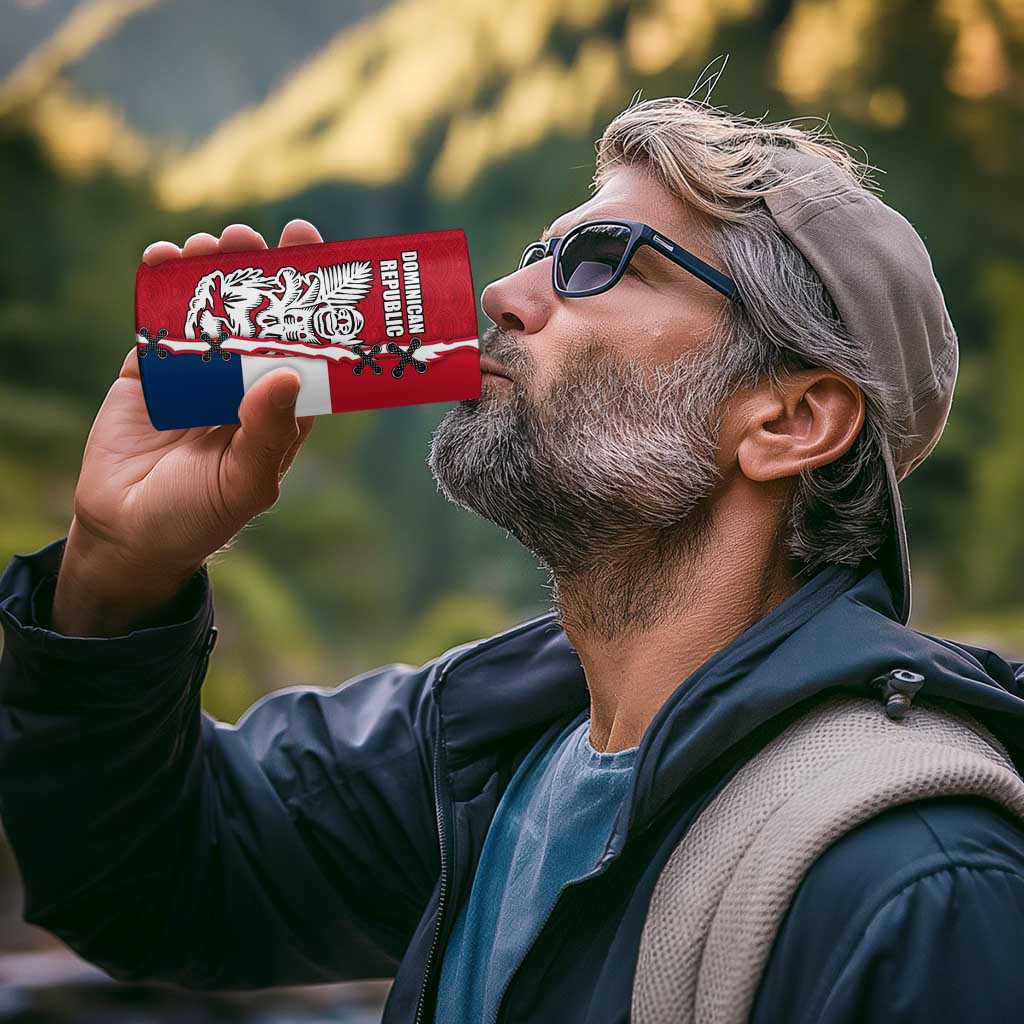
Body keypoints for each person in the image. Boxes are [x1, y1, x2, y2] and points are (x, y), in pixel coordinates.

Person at [2, 95, 1024, 1024]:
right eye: (540, 252)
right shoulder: (479, 749)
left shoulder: (918, 884)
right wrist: (115, 572)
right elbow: (149, 880)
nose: (502, 292)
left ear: (791, 419)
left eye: (599, 261)